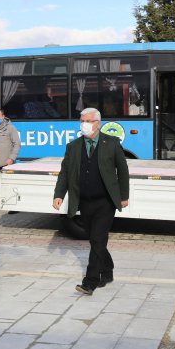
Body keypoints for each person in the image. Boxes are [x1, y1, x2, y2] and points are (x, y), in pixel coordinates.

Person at [53, 107, 129, 295]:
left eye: (87, 121)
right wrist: (59, 194)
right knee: (97, 241)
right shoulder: (73, 146)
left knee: (96, 239)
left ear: (98, 124)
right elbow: (65, 172)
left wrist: (124, 195)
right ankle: (108, 268)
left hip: (105, 202)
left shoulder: (111, 143)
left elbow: (123, 170)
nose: (83, 125)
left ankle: (90, 282)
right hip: (84, 202)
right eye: (82, 121)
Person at [0, 109, 21, 217]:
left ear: (3, 117)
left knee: (10, 186)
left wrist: (11, 158)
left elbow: (17, 144)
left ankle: (13, 207)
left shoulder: (10, 128)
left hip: (8, 163)